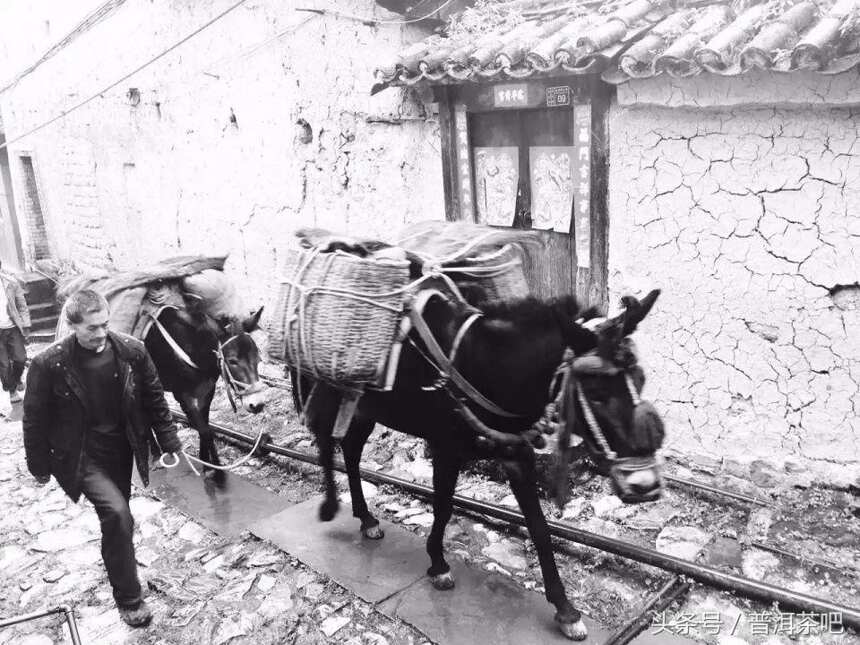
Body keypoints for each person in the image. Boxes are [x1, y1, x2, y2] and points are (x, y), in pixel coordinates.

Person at [23, 289, 182, 627]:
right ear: (72, 325)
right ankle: (130, 599)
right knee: (117, 512)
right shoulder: (48, 363)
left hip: (121, 449)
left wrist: (168, 439)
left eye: (104, 325)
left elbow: (154, 395)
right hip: (79, 456)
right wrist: (38, 464)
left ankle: (117, 560)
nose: (100, 334)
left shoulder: (132, 351)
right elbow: (34, 418)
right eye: (91, 328)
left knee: (117, 520)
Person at [0, 259, 31, 412]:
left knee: (20, 358)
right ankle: (12, 390)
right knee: (4, 365)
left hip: (12, 328)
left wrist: (26, 325)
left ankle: (17, 378)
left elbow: (22, 306)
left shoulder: (11, 283)